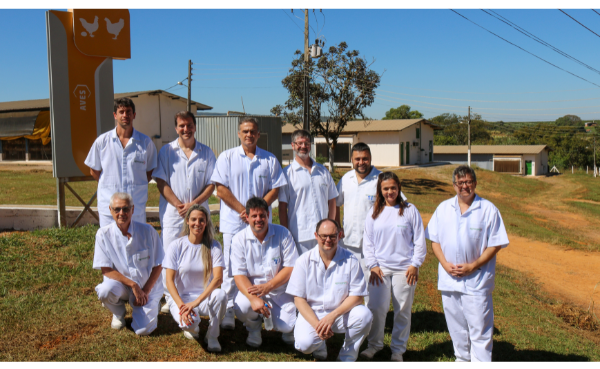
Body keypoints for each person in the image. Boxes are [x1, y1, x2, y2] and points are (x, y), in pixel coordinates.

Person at [425, 165, 509, 362]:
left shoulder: (488, 210)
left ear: (475, 183)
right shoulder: (443, 208)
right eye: (460, 183)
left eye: (468, 182)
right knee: (456, 327)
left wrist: (474, 265)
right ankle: (462, 360)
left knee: (479, 329)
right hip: (449, 279)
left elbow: (495, 244)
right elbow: (434, 240)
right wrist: (445, 264)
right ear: (454, 185)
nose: (464, 186)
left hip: (477, 280)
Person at [210, 117, 287, 330]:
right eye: (245, 131)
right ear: (238, 133)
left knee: (261, 263)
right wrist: (243, 211)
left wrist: (257, 211)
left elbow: (276, 188)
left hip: (261, 223)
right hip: (234, 222)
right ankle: (227, 312)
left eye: (252, 131)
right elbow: (220, 188)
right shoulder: (227, 157)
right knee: (230, 267)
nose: (248, 134)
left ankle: (257, 306)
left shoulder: (269, 159)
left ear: (258, 134)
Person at [152, 111, 216, 313]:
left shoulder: (206, 153)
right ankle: (170, 297)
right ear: (176, 128)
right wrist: (180, 205)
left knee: (200, 252)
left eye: (189, 125)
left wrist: (194, 205)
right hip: (174, 213)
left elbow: (211, 184)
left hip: (199, 214)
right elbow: (161, 182)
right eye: (181, 126)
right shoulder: (166, 151)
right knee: (171, 253)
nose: (185, 129)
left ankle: (199, 293)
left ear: (195, 127)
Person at [360, 172, 427, 362]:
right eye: (386, 188)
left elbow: (420, 241)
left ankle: (398, 350)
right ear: (380, 191)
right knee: (376, 309)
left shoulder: (410, 210)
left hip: (404, 270)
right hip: (379, 270)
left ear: (399, 188)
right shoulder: (374, 212)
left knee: (402, 310)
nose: (390, 192)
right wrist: (372, 265)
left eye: (393, 188)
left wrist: (415, 264)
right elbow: (368, 242)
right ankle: (375, 345)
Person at [286, 218, 373, 362]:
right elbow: (298, 299)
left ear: (339, 236)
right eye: (323, 236)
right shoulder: (303, 261)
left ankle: (347, 357)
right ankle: (320, 342)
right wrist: (317, 325)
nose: (328, 240)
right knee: (304, 345)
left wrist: (332, 316)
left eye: (332, 236)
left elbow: (357, 297)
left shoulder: (350, 260)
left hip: (340, 314)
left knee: (364, 316)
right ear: (316, 236)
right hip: (312, 313)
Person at [335, 143, 405, 302]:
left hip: (374, 246)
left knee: (371, 285)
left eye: (365, 158)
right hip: (348, 243)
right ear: (351, 160)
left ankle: (371, 321)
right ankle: (352, 317)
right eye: (357, 159)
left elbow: (399, 204)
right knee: (349, 283)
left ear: (370, 158)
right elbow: (336, 203)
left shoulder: (381, 179)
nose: (361, 162)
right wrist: (338, 225)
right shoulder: (346, 179)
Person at [230, 197, 298, 347]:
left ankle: (287, 329)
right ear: (247, 217)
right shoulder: (238, 239)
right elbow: (239, 275)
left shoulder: (283, 233)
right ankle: (253, 328)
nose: (258, 219)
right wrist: (253, 298)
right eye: (254, 216)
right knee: (242, 306)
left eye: (262, 215)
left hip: (278, 290)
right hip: (252, 290)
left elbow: (291, 267)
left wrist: (269, 286)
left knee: (286, 325)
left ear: (268, 214)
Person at [92, 192, 163, 335]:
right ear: (110, 210)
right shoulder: (103, 234)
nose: (121, 213)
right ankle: (118, 312)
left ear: (133, 209)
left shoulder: (148, 231)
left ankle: (154, 304)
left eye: (125, 209)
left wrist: (146, 291)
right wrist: (133, 285)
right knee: (105, 290)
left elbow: (159, 264)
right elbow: (106, 270)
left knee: (143, 331)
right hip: (123, 285)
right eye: (117, 209)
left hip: (147, 288)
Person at [85, 97, 157, 227]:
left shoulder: (145, 143)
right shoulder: (102, 141)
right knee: (110, 244)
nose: (125, 115)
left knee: (135, 242)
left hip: (135, 206)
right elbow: (94, 170)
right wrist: (108, 184)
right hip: (110, 206)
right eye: (121, 112)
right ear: (115, 115)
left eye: (128, 112)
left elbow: (150, 171)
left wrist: (136, 185)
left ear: (134, 115)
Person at [163, 204, 226, 352]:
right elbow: (169, 281)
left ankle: (212, 335)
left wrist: (196, 302)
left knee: (221, 295)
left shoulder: (214, 246)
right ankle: (193, 328)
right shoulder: (176, 246)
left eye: (201, 220)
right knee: (189, 325)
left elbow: (218, 279)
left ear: (206, 222)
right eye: (194, 219)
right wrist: (182, 306)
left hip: (203, 298)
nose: (197, 223)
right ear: (187, 221)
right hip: (181, 300)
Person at [279, 129, 338, 255]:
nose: (303, 146)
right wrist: (286, 234)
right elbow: (282, 207)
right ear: (293, 145)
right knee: (303, 272)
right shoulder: (287, 174)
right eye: (299, 143)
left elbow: (332, 200)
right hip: (300, 235)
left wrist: (331, 226)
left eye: (306, 143)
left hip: (324, 235)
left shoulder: (323, 171)